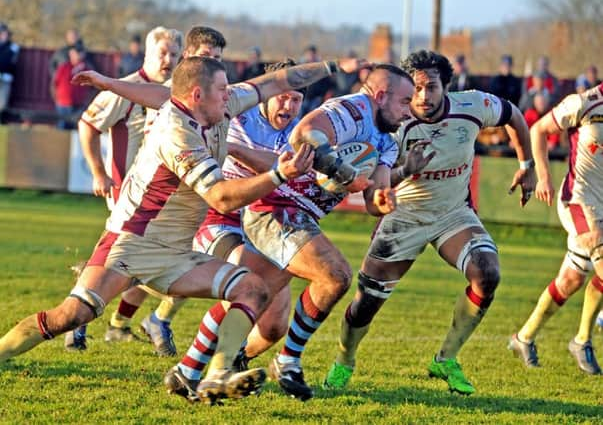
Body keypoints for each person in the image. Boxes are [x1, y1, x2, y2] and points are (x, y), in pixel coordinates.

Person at [0, 55, 333, 404]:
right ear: (196, 95)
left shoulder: (216, 104)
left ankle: (216, 377)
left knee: (253, 289)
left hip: (176, 253)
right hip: (131, 245)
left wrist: (331, 68)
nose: (229, 96)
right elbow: (221, 198)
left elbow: (274, 82)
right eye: (221, 90)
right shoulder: (178, 134)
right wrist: (280, 175)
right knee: (71, 316)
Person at [167, 63, 426, 403]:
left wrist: (384, 196)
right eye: (406, 101)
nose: (410, 111)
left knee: (254, 295)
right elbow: (304, 132)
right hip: (276, 207)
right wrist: (340, 170)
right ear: (380, 96)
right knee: (335, 276)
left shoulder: (390, 142)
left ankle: (186, 369)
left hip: (300, 214)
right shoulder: (353, 110)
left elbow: (372, 200)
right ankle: (288, 361)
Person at [323, 50, 536, 395]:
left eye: (431, 87)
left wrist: (527, 166)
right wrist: (404, 171)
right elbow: (376, 192)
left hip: (453, 213)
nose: (423, 97)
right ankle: (344, 359)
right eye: (416, 88)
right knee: (366, 304)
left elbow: (514, 116)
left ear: (446, 87)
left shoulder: (474, 105)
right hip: (405, 215)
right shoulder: (395, 122)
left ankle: (445, 358)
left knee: (487, 273)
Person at [65, 26, 183, 353]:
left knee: (146, 263)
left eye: (175, 54)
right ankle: (77, 324)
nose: (168, 60)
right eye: (162, 53)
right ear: (147, 54)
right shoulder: (125, 89)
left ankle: (115, 324)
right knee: (124, 264)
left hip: (163, 198)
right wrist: (98, 172)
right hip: (128, 194)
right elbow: (87, 125)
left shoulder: (179, 94)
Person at [508, 81, 603, 376]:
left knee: (571, 279)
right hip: (578, 200)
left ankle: (523, 338)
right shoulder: (585, 102)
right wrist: (543, 176)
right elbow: (538, 130)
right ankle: (583, 339)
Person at [52, 46, 93, 129]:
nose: (74, 56)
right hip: (63, 104)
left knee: (76, 128)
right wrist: (56, 99)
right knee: (62, 126)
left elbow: (92, 87)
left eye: (76, 53)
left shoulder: (86, 69)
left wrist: (86, 102)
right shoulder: (63, 67)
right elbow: (54, 83)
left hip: (78, 105)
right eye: (72, 53)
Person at [300, 44, 334, 115]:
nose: (311, 56)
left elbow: (328, 83)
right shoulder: (301, 67)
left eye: (312, 54)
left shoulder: (321, 68)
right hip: (303, 97)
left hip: (316, 97)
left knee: (312, 114)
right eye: (309, 54)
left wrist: (324, 94)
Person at [0, 22, 19, 121]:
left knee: (2, 105)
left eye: (5, 33)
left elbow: (8, 60)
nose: (3, 35)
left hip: (6, 78)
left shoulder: (13, 46)